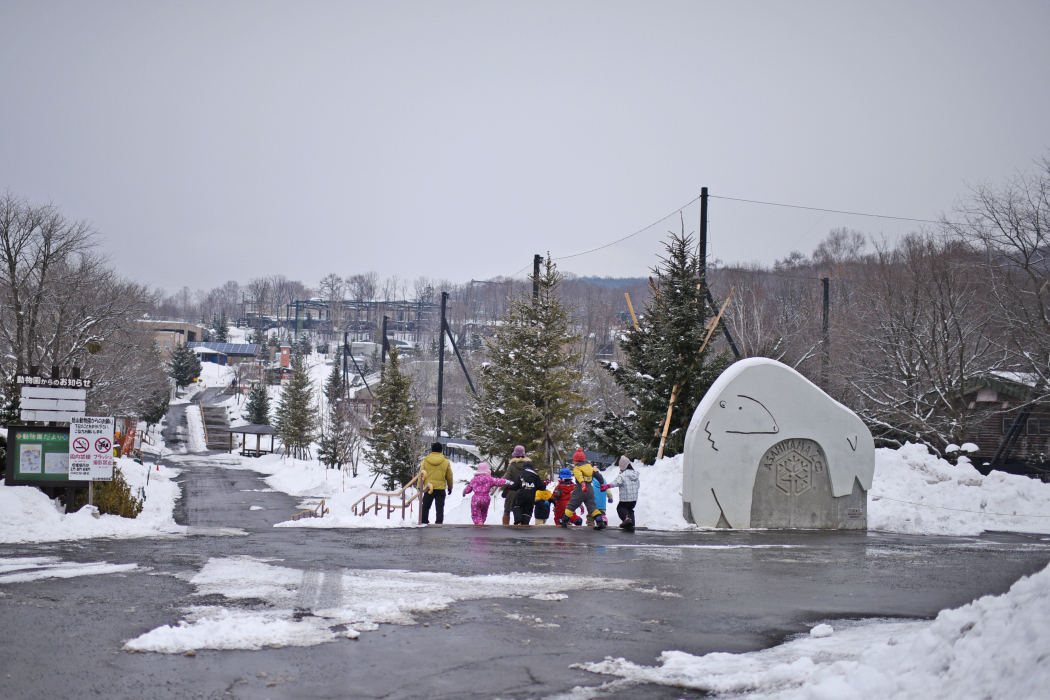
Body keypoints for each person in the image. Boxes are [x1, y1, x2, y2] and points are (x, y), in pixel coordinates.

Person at [559, 449, 605, 529]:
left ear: (576, 461)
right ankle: (600, 521)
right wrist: (602, 484)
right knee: (592, 507)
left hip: (580, 489)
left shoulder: (577, 468)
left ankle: (564, 521)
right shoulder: (590, 467)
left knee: (571, 505)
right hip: (590, 490)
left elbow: (579, 476)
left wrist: (582, 483)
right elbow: (598, 475)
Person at [602, 455, 640, 530]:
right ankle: (631, 524)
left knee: (620, 508)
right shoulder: (635, 475)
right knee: (630, 510)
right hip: (634, 499)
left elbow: (616, 482)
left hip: (625, 498)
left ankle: (626, 519)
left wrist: (608, 486)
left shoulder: (623, 475)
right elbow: (638, 485)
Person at [419, 442, 454, 524]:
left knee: (426, 506)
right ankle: (439, 522)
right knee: (440, 507)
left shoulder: (426, 460)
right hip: (440, 488)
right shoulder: (445, 461)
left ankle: (424, 521)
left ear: (432, 450)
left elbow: (421, 474)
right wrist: (450, 487)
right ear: (441, 450)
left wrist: (419, 486)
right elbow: (449, 475)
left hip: (428, 487)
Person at [501, 445, 529, 525]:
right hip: (524, 492)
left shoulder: (512, 465)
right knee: (521, 511)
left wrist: (502, 487)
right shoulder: (528, 465)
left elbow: (506, 478)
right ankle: (521, 527)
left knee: (507, 510)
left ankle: (505, 527)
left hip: (512, 491)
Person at [511, 459, 544, 525]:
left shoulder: (521, 476)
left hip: (521, 495)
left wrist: (510, 487)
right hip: (531, 497)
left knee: (516, 505)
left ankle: (518, 518)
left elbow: (515, 486)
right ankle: (525, 523)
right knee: (528, 511)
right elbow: (542, 487)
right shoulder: (536, 476)